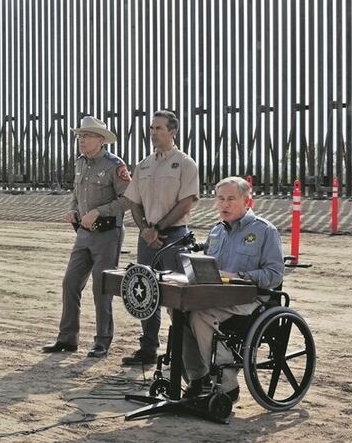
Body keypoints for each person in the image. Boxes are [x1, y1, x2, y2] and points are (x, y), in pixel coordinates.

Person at [180, 176, 285, 400]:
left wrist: (239, 276)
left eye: (231, 199)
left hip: (251, 298)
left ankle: (227, 385)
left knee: (200, 315)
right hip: (217, 296)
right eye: (220, 199)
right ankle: (198, 378)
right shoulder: (216, 232)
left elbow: (275, 275)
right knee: (179, 308)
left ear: (247, 201)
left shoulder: (265, 231)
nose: (224, 205)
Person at [42, 116, 130, 357]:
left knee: (101, 288)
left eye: (87, 136)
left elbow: (128, 199)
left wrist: (99, 211)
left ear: (101, 140)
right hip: (83, 233)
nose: (81, 140)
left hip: (107, 235)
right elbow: (76, 193)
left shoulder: (114, 165)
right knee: (70, 283)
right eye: (80, 136)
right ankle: (67, 338)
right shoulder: (80, 163)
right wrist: (73, 210)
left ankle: (102, 341)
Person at [120, 110, 199, 366]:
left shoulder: (185, 164)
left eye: (159, 128)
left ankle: (182, 353)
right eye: (151, 128)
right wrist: (146, 229)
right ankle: (148, 349)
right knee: (146, 293)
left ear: (172, 132)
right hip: (147, 238)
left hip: (174, 238)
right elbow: (134, 202)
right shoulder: (143, 165)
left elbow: (186, 202)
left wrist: (158, 228)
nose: (153, 133)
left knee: (178, 297)